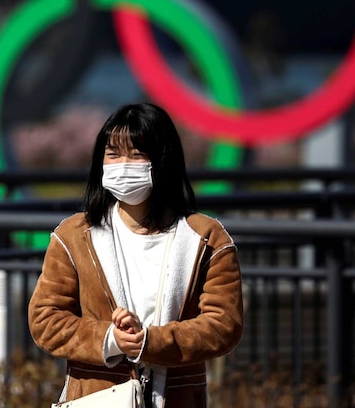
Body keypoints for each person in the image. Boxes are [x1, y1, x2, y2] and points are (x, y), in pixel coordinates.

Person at [28, 102, 243, 407]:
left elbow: (224, 325)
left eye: (137, 154)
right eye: (113, 154)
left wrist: (150, 342)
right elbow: (45, 320)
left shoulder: (207, 238)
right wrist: (110, 339)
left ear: (163, 159)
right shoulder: (73, 236)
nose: (123, 164)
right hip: (96, 396)